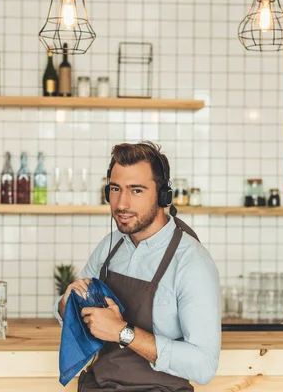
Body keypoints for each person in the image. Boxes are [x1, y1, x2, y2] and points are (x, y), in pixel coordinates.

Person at [54, 141, 221, 391]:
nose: (122, 204)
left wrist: (123, 332)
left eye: (137, 190)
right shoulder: (110, 246)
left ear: (163, 194)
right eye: (115, 189)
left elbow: (204, 365)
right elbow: (71, 317)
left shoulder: (192, 262)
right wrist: (68, 303)